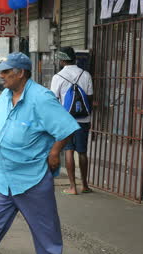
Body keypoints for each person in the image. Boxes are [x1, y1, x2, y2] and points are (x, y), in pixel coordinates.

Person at [0, 53, 80, 254]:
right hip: (1, 179)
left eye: (6, 72)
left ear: (22, 73)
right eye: (2, 71)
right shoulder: (6, 96)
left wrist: (54, 153)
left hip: (32, 179)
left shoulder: (41, 98)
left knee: (46, 236)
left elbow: (67, 128)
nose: (2, 76)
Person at [50, 47, 94, 195]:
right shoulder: (85, 74)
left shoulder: (58, 77)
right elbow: (90, 98)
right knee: (82, 152)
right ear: (75, 59)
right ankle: (85, 185)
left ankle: (72, 187)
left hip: (66, 120)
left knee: (69, 150)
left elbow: (53, 101)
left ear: (62, 60)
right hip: (84, 119)